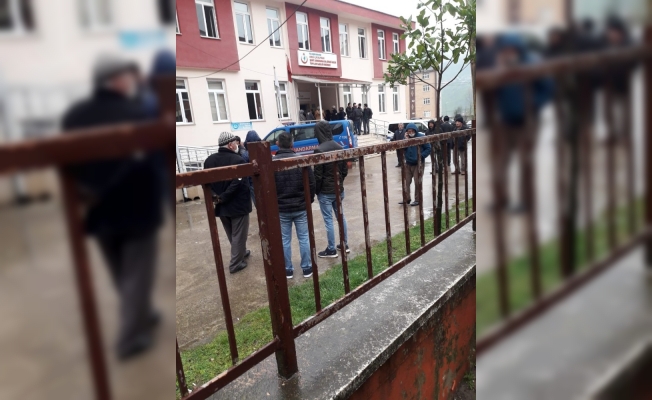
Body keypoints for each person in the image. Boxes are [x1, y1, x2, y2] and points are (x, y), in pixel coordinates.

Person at [62, 54, 166, 360]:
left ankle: (142, 313)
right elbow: (151, 162)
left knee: (121, 271)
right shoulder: (136, 113)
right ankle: (130, 339)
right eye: (127, 76)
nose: (131, 81)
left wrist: (85, 192)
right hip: (136, 210)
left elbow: (68, 163)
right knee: (137, 272)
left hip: (97, 208)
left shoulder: (74, 116)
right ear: (116, 80)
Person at [204, 132, 252, 274]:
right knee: (239, 234)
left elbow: (206, 183)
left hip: (221, 204)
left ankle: (241, 252)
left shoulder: (209, 161)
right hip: (237, 205)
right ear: (230, 145)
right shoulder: (238, 160)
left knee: (232, 233)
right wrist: (224, 196)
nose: (238, 145)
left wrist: (216, 197)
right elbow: (238, 183)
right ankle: (235, 264)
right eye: (236, 143)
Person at [273, 132, 316, 279]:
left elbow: (269, 187)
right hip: (300, 206)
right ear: (292, 144)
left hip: (282, 207)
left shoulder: (273, 163)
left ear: (278, 144)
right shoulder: (301, 160)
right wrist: (309, 200)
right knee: (304, 237)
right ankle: (307, 268)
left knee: (285, 240)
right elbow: (311, 182)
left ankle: (287, 269)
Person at [313, 121, 349, 257]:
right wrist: (339, 182)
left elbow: (318, 176)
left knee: (328, 220)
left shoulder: (319, 150)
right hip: (338, 189)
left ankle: (331, 249)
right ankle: (344, 244)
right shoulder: (339, 147)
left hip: (326, 192)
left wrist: (317, 191)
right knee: (341, 216)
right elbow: (344, 170)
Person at [399, 123, 431, 206]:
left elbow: (428, 148)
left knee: (417, 182)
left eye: (412, 131)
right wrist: (405, 140)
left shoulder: (421, 137)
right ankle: (406, 198)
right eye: (409, 131)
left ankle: (418, 199)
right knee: (406, 181)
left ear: (415, 130)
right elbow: (402, 148)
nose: (410, 133)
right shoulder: (406, 138)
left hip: (418, 164)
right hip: (408, 163)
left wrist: (421, 156)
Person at [244, 130, 262, 205]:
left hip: (252, 183)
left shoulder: (245, 155)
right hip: (264, 180)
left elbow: (245, 171)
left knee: (258, 204)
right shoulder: (263, 151)